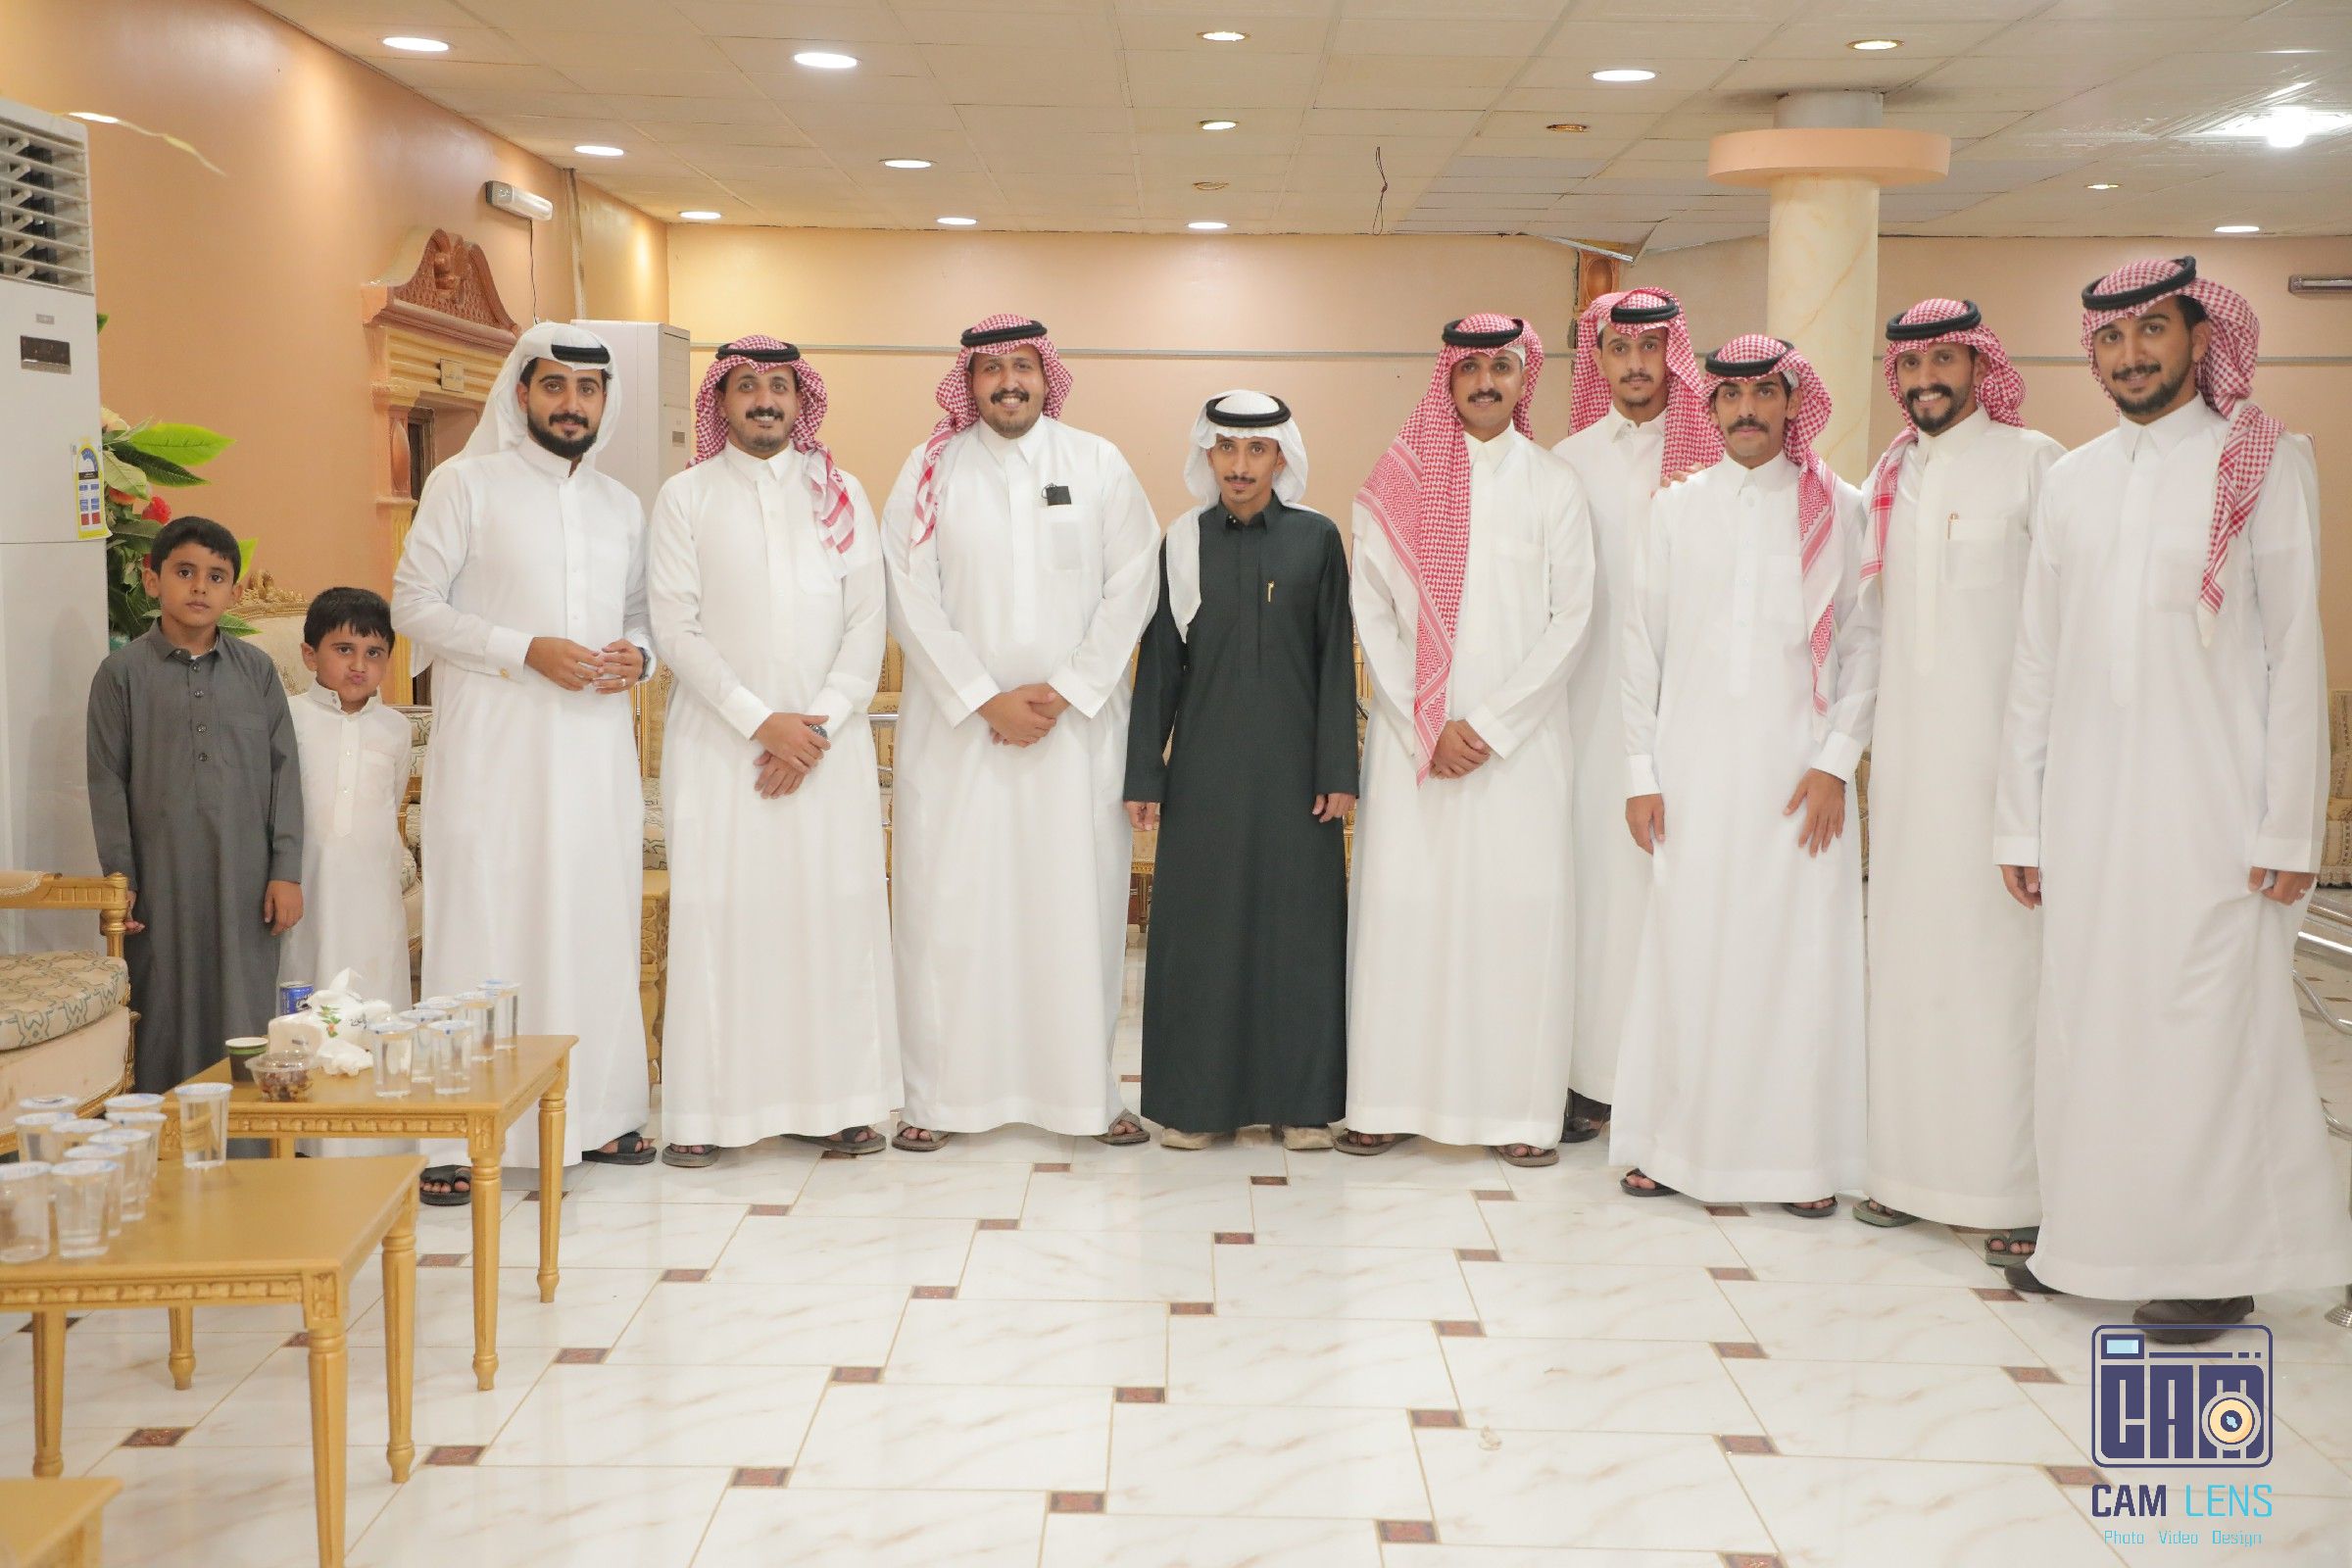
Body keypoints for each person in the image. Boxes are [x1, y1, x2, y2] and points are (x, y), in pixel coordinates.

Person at [1995, 256, 2352, 1340]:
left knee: (2208, 1032)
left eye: (2153, 330)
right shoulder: (2073, 480)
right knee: (2090, 1026)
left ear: (2201, 339)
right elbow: (2037, 660)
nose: (2131, 354)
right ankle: (2090, 1242)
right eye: (2111, 337)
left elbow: (2293, 653)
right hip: (2088, 812)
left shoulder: (2263, 462)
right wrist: (2020, 816)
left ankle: (2214, 1264)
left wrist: (2288, 821)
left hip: (2214, 811)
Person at [880, 315, 1159, 1150]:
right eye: (991, 369)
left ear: (1046, 376)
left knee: (1076, 914)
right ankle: (938, 1102)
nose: (1008, 382)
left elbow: (1134, 584)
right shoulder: (929, 472)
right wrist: (983, 697)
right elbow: (907, 594)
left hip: (1074, 740)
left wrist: (1068, 690)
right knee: (950, 913)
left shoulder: (1098, 463)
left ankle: (1084, 1098)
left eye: (1023, 367)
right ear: (968, 382)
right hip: (959, 740)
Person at [1612, 335, 1877, 1216]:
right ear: (1712, 407)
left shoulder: (1840, 508)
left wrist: (1836, 762)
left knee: (1797, 965)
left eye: (1764, 392)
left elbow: (1865, 643)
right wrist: (1641, 772)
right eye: (1730, 396)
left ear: (1794, 401)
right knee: (1688, 954)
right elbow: (1638, 649)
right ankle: (1669, 1146)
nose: (1747, 410)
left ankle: (1796, 1164)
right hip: (1690, 774)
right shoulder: (1675, 509)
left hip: (1800, 779)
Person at [392, 321, 654, 1201]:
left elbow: (641, 614)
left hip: (594, 756)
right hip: (495, 755)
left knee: (592, 918)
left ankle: (601, 1115)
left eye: (588, 390)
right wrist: (522, 648)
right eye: (555, 387)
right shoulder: (463, 485)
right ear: (522, 392)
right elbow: (412, 605)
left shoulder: (620, 505)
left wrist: (641, 656)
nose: (571, 405)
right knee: (485, 925)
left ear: (605, 401)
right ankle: (457, 1135)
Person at [1345, 315, 1594, 1167]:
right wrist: (1424, 718)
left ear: (1524, 379)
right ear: (1446, 378)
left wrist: (1487, 725)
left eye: (1502, 368)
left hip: (1517, 750)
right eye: (1471, 369)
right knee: (1404, 914)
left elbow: (1573, 618)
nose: (1486, 383)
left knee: (1516, 921)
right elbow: (1372, 608)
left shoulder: (1555, 484)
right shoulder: (1397, 480)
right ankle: (1385, 1102)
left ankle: (1518, 1114)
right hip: (1414, 747)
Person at [648, 336, 898, 1166]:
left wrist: (812, 728)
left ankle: (838, 1104)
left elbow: (868, 623)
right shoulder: (685, 498)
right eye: (748, 386)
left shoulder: (842, 494)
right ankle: (708, 1113)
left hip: (828, 749)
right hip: (721, 749)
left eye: (780, 386)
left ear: (801, 400)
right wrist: (764, 723)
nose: (765, 400)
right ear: (720, 402)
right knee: (723, 921)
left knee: (829, 918)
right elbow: (675, 626)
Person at [1854, 301, 2062, 1250]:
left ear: (1980, 365)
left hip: (2002, 777)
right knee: (1908, 970)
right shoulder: (1889, 476)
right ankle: (1904, 1172)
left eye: (1945, 358)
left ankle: (2013, 1192)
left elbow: (2057, 631)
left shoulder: (2034, 463)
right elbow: (1868, 626)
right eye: (1912, 362)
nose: (1927, 377)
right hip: (1907, 776)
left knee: (2002, 980)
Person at [1124, 392, 1355, 1151]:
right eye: (1226, 448)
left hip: (1297, 778)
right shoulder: (1182, 542)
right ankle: (1196, 1105)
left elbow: (1336, 661)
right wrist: (1145, 773)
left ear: (1281, 456)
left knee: (1298, 935)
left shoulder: (1317, 540)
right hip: (1205, 774)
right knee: (1205, 934)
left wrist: (1338, 768)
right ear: (1208, 455)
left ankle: (1302, 1105)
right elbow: (1161, 665)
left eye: (1256, 450)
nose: (1241, 464)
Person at [1552, 287, 1721, 1146]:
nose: (1634, 366)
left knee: (1671, 894)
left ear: (1673, 355)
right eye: (1618, 350)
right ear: (1598, 360)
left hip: (1688, 707)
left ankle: (1669, 1079)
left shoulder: (1713, 462)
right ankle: (1591, 1078)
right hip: (1587, 711)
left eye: (1649, 348)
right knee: (1596, 893)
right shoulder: (1568, 461)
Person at [86, 514, 303, 1091]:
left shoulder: (256, 671)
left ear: (234, 590)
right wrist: (120, 880)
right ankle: (167, 1136)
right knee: (161, 1005)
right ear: (151, 579)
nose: (200, 587)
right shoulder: (121, 675)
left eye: (216, 576)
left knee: (244, 1006)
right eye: (185, 572)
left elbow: (285, 774)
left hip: (245, 875)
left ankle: (245, 1138)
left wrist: (286, 871)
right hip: (160, 877)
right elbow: (106, 781)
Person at [278, 586, 416, 1161]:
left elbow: (393, 800)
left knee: (375, 996)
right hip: (306, 888)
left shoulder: (396, 729)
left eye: (374, 653)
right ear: (310, 654)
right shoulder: (288, 717)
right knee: (306, 993)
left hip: (372, 892)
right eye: (344, 650)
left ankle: (380, 1141)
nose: (359, 665)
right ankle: (308, 1140)